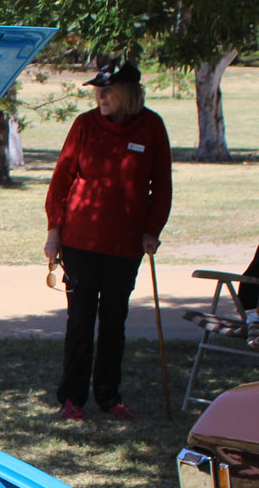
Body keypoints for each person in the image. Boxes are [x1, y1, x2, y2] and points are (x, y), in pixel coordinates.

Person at [43, 60, 172, 421]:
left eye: (109, 89)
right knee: (80, 321)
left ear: (129, 93)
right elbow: (60, 181)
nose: (101, 95)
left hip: (126, 243)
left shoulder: (151, 126)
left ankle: (108, 395)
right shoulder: (84, 125)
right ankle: (72, 398)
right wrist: (54, 232)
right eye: (98, 89)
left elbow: (161, 186)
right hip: (81, 240)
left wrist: (152, 230)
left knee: (114, 321)